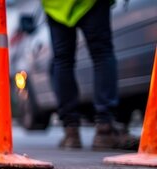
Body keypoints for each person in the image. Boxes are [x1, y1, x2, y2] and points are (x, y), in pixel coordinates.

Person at [43, 0, 138, 149]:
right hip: (91, 3)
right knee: (101, 54)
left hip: (56, 5)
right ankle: (104, 129)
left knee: (63, 60)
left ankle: (70, 131)